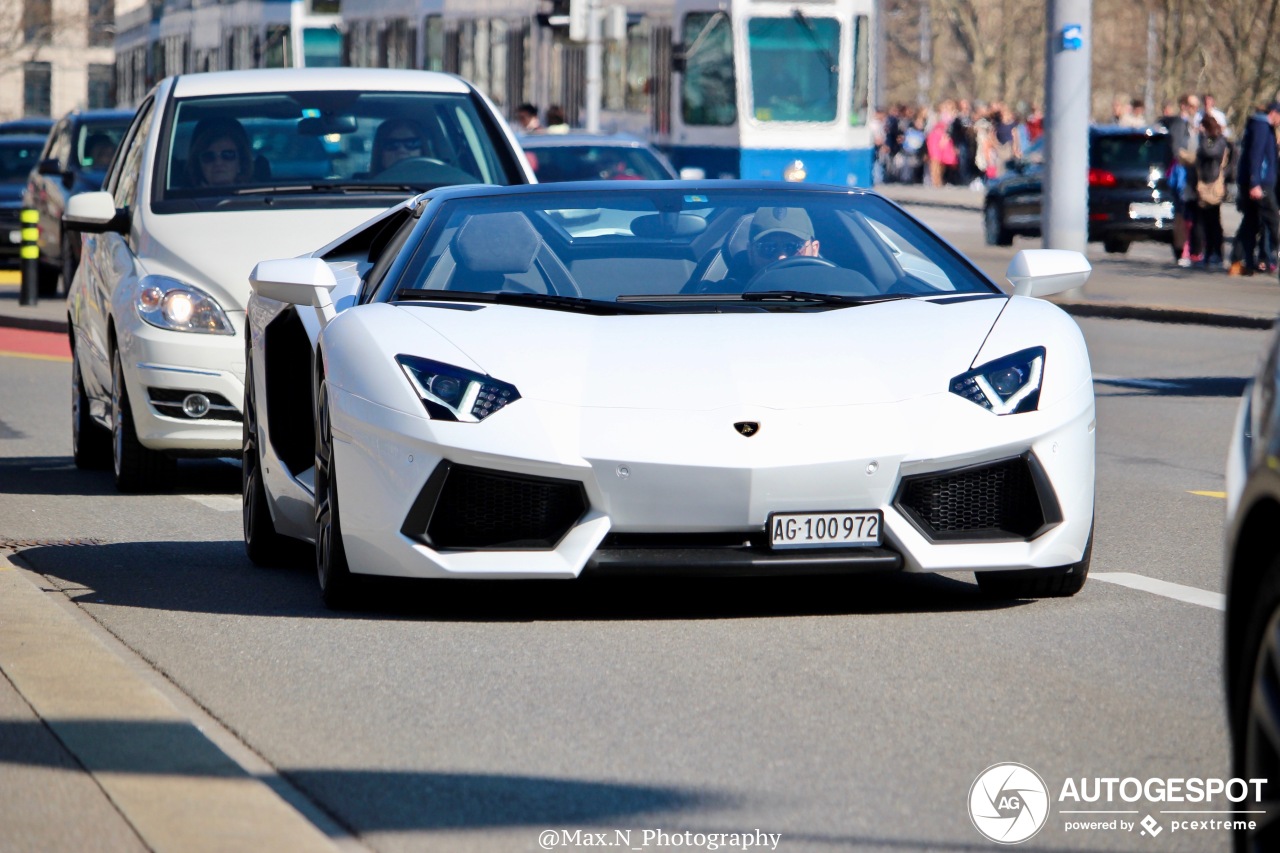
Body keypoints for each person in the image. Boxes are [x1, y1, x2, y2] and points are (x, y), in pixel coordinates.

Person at [1231, 102, 1280, 277]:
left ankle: (1241, 260)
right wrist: (1255, 183)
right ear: (1274, 113)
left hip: (1257, 182)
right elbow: (1256, 155)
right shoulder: (1261, 126)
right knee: (1273, 219)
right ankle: (1269, 255)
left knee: (1251, 222)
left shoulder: (1263, 127)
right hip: (1259, 185)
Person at [1191, 114, 1230, 268]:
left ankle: (1217, 254)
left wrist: (1201, 137)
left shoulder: (1219, 140)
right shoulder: (1208, 140)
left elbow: (1210, 153)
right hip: (1203, 183)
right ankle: (1207, 253)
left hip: (1213, 184)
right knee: (1205, 222)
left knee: (1214, 221)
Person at [185, 118, 253, 187]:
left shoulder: (258, 196)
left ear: (240, 163)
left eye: (227, 155)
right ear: (199, 165)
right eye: (209, 157)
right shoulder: (182, 197)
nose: (218, 163)